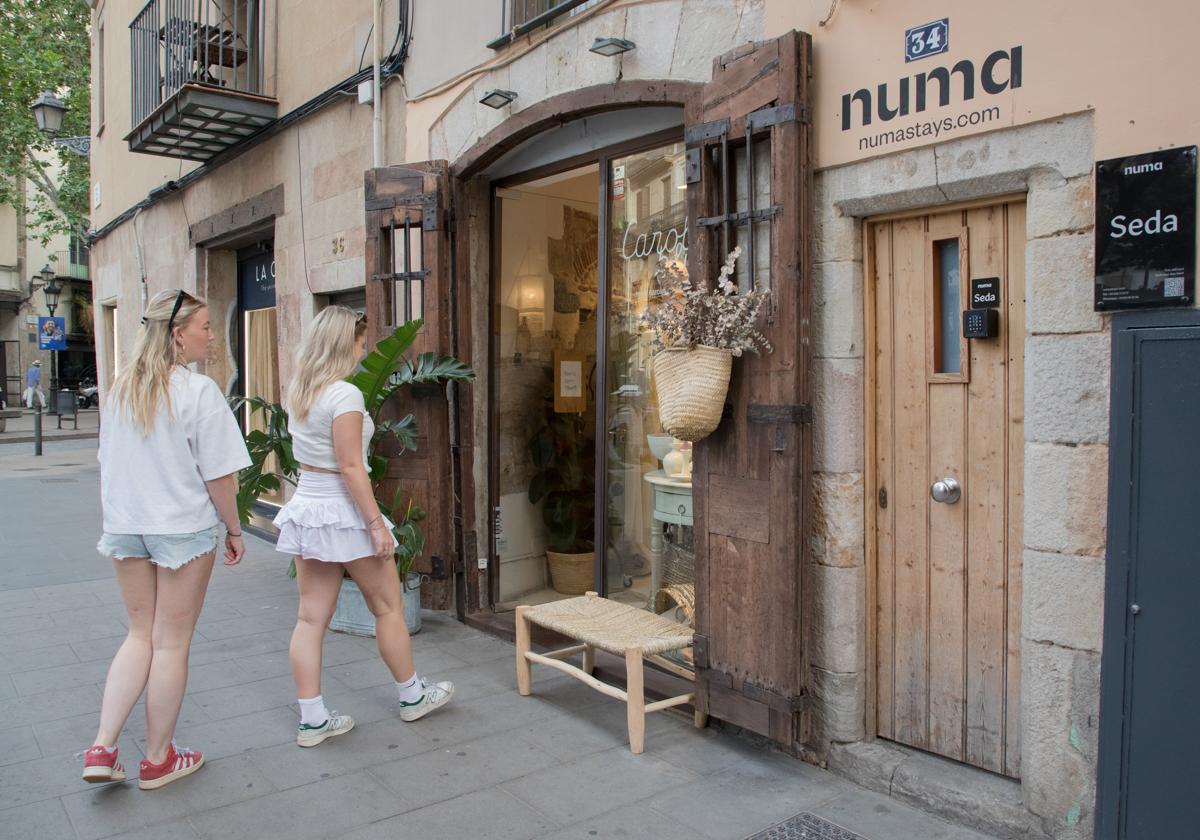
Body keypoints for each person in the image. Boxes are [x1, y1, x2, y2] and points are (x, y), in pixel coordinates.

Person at [84, 289, 251, 790]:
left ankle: (102, 745)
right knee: (171, 644)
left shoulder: (120, 390)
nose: (210, 336)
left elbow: (107, 463)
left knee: (139, 636)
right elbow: (220, 476)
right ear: (178, 335)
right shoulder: (198, 392)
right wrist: (236, 529)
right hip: (180, 529)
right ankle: (158, 759)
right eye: (203, 326)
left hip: (126, 526)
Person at [274, 306, 452, 748]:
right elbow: (352, 466)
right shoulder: (345, 395)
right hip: (344, 509)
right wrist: (376, 523)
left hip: (309, 509)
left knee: (310, 619)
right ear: (343, 344)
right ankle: (412, 696)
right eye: (359, 342)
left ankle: (311, 720)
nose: (363, 350)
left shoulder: (301, 392)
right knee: (388, 607)